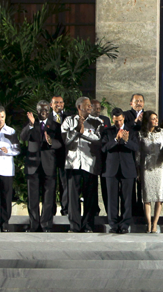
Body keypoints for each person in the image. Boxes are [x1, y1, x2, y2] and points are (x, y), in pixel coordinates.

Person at [61, 97, 103, 233]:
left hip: (89, 164)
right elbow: (66, 141)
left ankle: (88, 226)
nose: (90, 107)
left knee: (90, 197)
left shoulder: (97, 122)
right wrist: (76, 131)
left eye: (90, 105)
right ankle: (74, 226)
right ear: (79, 107)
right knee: (73, 197)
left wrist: (82, 132)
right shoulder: (68, 121)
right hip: (73, 164)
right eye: (87, 105)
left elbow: (98, 140)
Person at [20, 100, 61, 232]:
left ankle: (46, 225)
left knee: (49, 198)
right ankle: (34, 225)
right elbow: (23, 137)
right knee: (33, 198)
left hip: (49, 166)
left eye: (45, 111)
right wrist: (30, 125)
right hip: (33, 167)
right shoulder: (32, 124)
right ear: (37, 111)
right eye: (41, 110)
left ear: (49, 111)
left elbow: (60, 143)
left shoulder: (55, 125)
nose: (43, 113)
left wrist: (51, 142)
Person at [101, 108, 139, 233]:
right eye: (116, 121)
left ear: (123, 118)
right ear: (113, 119)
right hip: (111, 169)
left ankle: (125, 225)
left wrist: (126, 141)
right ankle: (113, 224)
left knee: (127, 198)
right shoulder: (107, 131)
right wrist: (116, 140)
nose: (118, 123)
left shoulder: (132, 131)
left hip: (127, 168)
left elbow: (136, 147)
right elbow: (104, 148)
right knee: (112, 198)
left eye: (121, 120)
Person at [137, 111, 163, 233]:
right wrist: (138, 170)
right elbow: (138, 154)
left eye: (156, 118)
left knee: (159, 196)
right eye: (153, 119)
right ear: (147, 120)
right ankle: (148, 224)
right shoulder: (140, 134)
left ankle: (155, 223)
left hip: (159, 167)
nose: (156, 120)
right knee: (147, 197)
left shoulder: (162, 133)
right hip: (146, 167)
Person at [123, 93, 146, 216]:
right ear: (131, 103)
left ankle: (143, 212)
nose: (139, 103)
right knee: (131, 182)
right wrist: (135, 121)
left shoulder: (147, 115)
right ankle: (130, 212)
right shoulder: (126, 115)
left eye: (141, 101)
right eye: (136, 101)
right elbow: (124, 128)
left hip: (144, 152)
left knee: (143, 183)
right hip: (130, 153)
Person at [91, 99, 111, 216]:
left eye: (99, 108)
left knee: (106, 187)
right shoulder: (86, 121)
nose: (98, 111)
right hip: (92, 157)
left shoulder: (106, 120)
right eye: (95, 108)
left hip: (104, 158)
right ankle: (94, 211)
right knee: (92, 186)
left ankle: (109, 212)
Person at [50, 95, 69, 216]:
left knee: (65, 184)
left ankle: (66, 210)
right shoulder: (46, 117)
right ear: (51, 105)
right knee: (51, 184)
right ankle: (50, 212)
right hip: (50, 156)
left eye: (61, 102)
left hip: (64, 155)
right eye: (56, 102)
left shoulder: (68, 117)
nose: (59, 105)